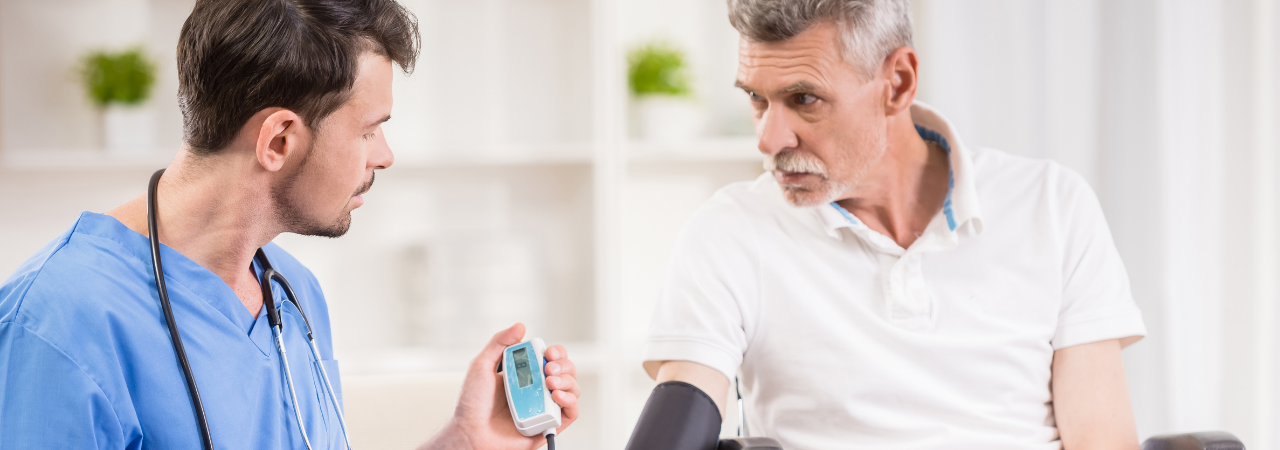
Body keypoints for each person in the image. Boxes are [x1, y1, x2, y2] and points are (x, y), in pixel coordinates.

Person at [0, 0, 580, 448]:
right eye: (369, 129)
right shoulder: (55, 324)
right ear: (278, 139)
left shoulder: (293, 294)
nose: (385, 155)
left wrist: (464, 441)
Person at [633, 1, 1146, 449]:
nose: (770, 139)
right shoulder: (731, 231)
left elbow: (1100, 440)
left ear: (896, 83)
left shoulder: (1052, 206)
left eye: (803, 99)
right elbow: (685, 404)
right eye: (756, 99)